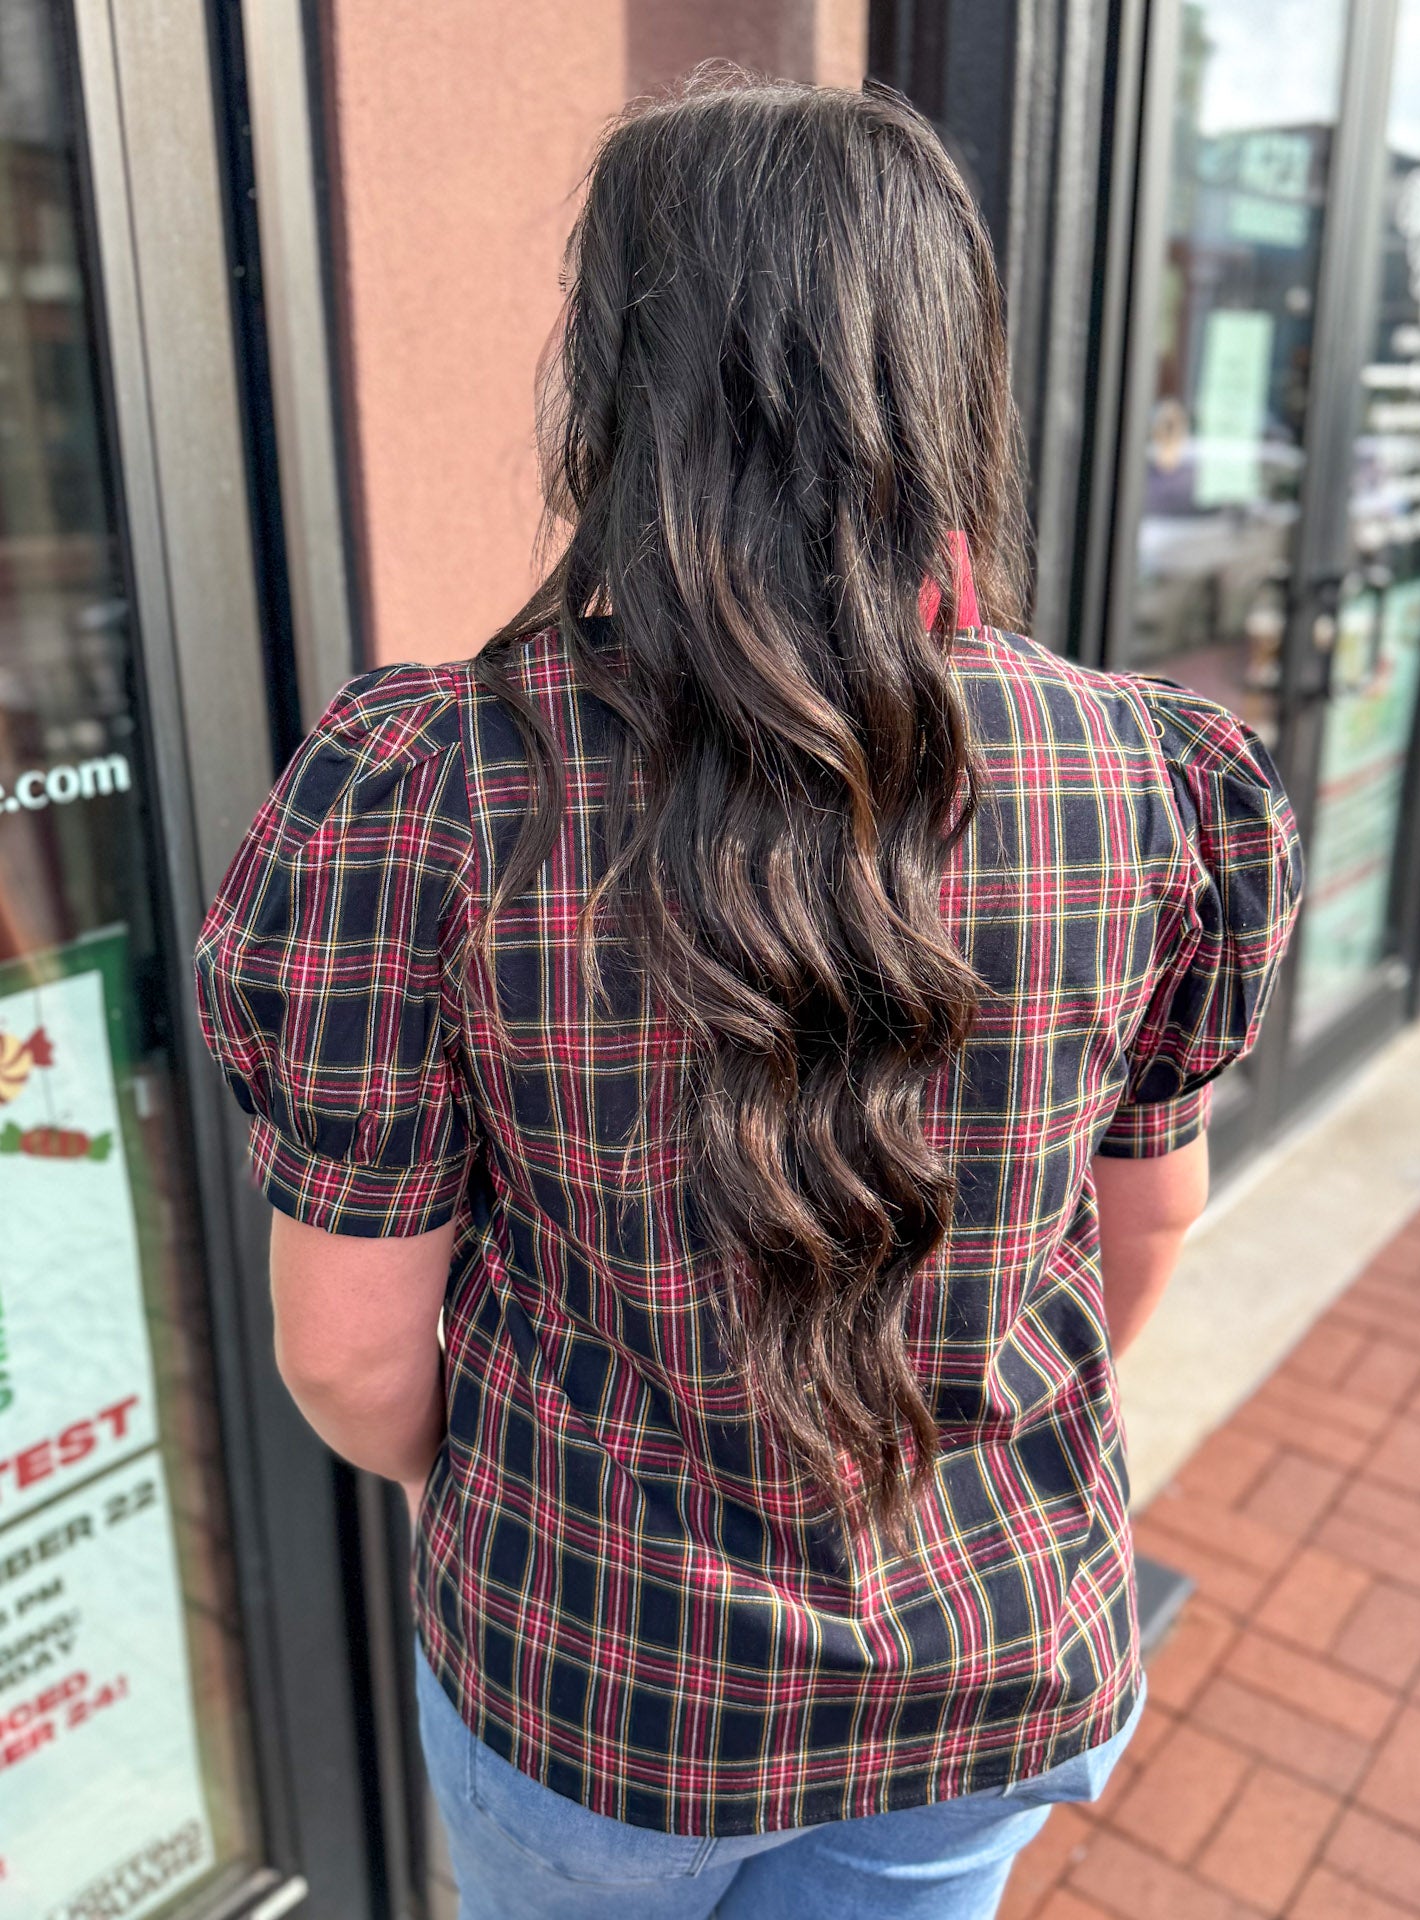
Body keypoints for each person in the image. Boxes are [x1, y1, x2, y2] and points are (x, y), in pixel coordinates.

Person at [193, 77, 1302, 1920]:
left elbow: (353, 1355)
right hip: (982, 1660)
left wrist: (479, 1502)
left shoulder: (431, 789)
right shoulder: (1147, 779)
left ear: (617, 389)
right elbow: (1141, 1239)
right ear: (944, 379)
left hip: (591, 1678)